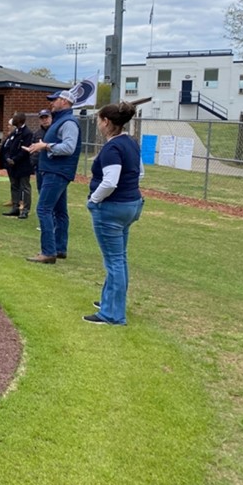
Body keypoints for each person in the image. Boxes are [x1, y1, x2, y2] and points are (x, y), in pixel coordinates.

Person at [83, 102, 145, 325]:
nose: (98, 124)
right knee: (119, 257)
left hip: (112, 208)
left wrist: (94, 200)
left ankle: (112, 314)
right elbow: (140, 173)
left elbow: (110, 181)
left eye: (99, 120)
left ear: (106, 122)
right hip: (131, 204)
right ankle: (111, 301)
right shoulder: (130, 143)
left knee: (114, 261)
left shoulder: (112, 148)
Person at [26, 90, 83, 264]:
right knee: (60, 211)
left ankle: (48, 252)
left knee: (43, 209)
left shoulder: (68, 122)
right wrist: (41, 146)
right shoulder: (61, 120)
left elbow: (68, 147)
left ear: (65, 102)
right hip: (55, 170)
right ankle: (59, 248)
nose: (51, 103)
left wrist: (45, 146)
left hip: (56, 171)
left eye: (54, 100)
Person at [0, 112, 35, 218]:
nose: (12, 120)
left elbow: (25, 150)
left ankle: (25, 210)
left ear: (20, 120)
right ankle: (15, 207)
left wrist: (14, 159)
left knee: (25, 187)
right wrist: (7, 158)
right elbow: (8, 146)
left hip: (23, 165)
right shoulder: (15, 132)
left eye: (14, 118)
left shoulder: (27, 133)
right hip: (12, 165)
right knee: (14, 186)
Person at [31, 109, 52, 192]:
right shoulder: (37, 133)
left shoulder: (55, 131)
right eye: (42, 118)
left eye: (46, 117)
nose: (44, 120)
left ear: (51, 118)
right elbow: (32, 147)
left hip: (51, 167)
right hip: (39, 166)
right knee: (41, 189)